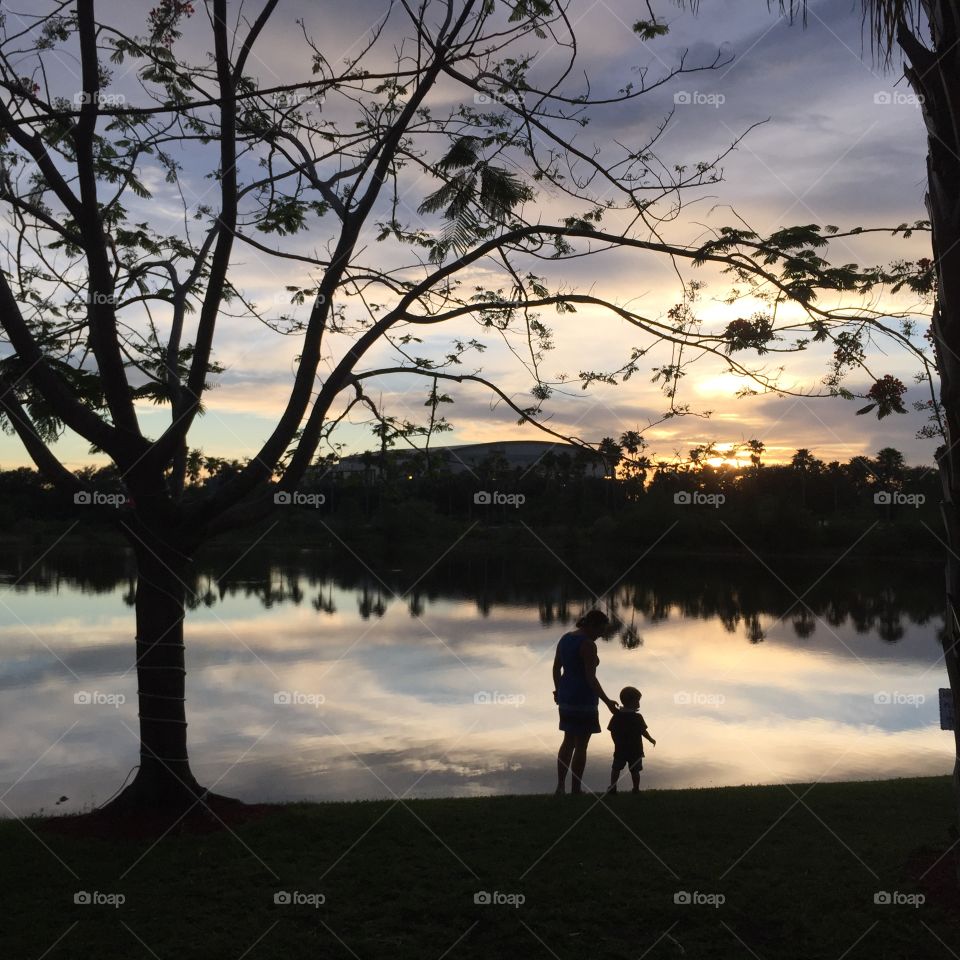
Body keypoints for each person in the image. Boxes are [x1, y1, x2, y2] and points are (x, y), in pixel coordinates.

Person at [552, 609, 619, 795]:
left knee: (567, 742)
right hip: (583, 698)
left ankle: (560, 786)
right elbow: (591, 679)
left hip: (566, 696)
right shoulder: (588, 645)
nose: (601, 634)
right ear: (592, 625)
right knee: (581, 745)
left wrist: (559, 691)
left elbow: (556, 668)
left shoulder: (565, 638)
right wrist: (607, 701)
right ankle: (575, 788)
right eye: (600, 630)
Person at [605, 686, 655, 794]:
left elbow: (612, 731)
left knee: (616, 769)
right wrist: (650, 739)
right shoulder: (637, 717)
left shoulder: (617, 715)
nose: (639, 704)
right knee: (635, 771)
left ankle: (613, 787)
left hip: (620, 748)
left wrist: (616, 742)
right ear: (632, 702)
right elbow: (643, 731)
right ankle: (636, 789)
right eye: (637, 701)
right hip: (636, 749)